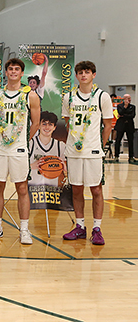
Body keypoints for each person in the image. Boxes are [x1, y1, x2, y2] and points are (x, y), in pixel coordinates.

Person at [0, 58, 40, 245]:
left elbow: (36, 123)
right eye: (10, 69)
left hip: (19, 147)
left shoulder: (30, 95)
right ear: (6, 72)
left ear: (22, 73)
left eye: (17, 69)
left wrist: (22, 140)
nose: (13, 72)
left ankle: (24, 229)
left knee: (22, 188)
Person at [62, 61, 113, 245]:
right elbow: (67, 121)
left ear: (93, 75)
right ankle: (80, 226)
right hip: (74, 151)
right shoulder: (68, 97)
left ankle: (97, 229)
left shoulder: (102, 96)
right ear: (76, 76)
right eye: (80, 72)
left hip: (93, 151)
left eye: (87, 72)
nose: (84, 75)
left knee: (96, 189)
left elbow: (108, 125)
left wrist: (99, 145)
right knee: (76, 189)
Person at [29, 111, 66, 186]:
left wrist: (65, 167)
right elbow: (19, 169)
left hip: (53, 189)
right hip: (32, 188)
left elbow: (69, 172)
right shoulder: (30, 144)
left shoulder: (60, 146)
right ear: (39, 126)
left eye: (50, 124)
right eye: (44, 124)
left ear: (54, 127)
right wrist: (31, 166)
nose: (47, 127)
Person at [114, 94, 135, 163]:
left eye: (130, 98)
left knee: (130, 141)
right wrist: (125, 107)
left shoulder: (133, 107)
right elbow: (120, 112)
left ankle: (131, 157)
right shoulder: (119, 106)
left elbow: (132, 115)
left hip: (129, 126)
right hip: (121, 125)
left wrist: (123, 115)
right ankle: (116, 156)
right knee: (118, 140)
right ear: (124, 99)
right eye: (128, 98)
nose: (129, 100)